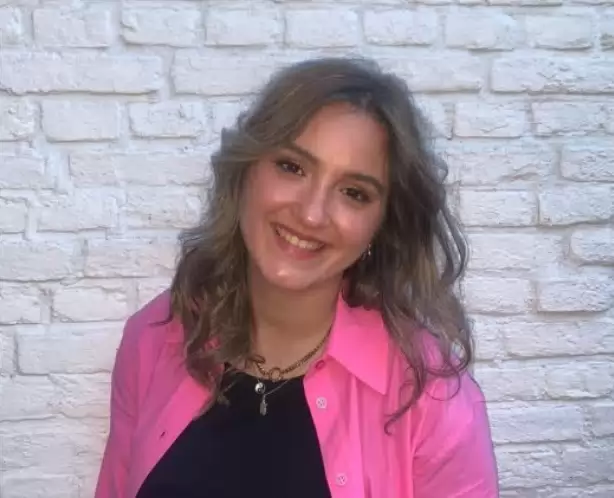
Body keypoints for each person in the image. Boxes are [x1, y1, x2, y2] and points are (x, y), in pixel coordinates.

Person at [95, 57, 499, 498]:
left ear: (380, 226)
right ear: (246, 172)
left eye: (353, 193)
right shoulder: (156, 337)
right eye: (292, 167)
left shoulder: (431, 398)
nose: (311, 214)